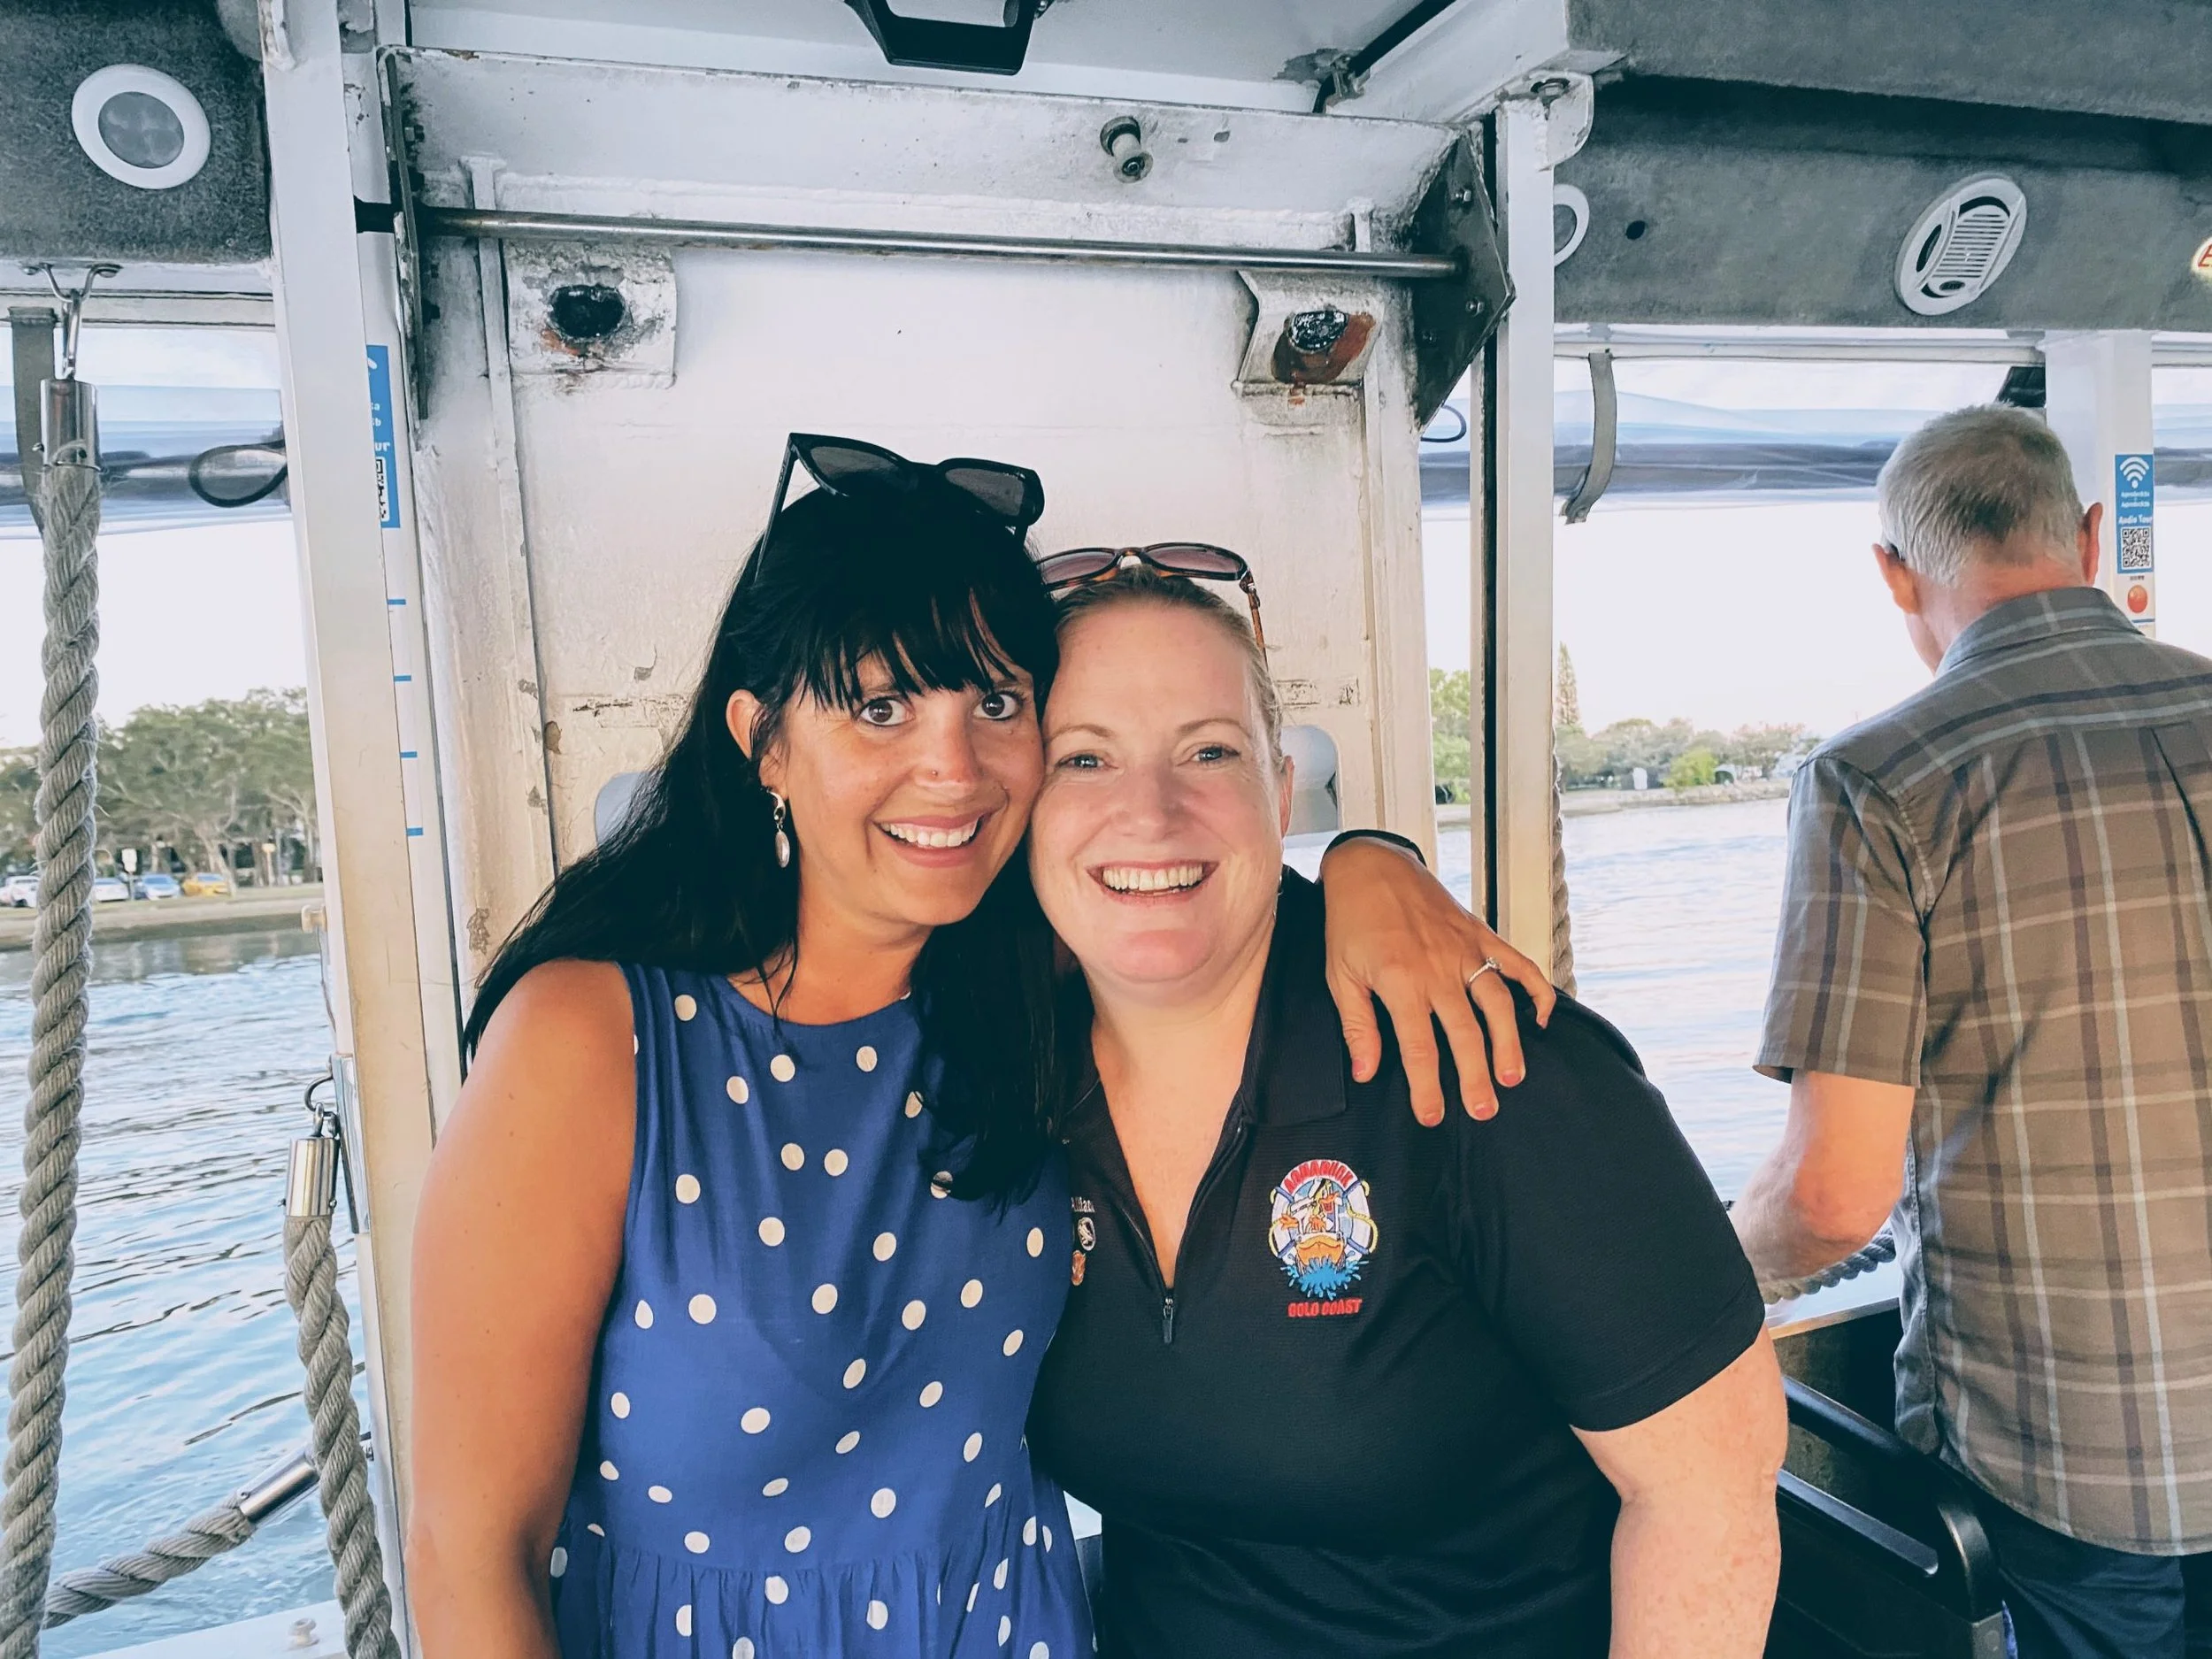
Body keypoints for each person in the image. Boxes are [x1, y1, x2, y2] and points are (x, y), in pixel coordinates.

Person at [404, 435, 1549, 1658]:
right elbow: (470, 1550)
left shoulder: (1039, 984)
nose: (951, 770)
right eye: (880, 705)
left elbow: (1209, 887)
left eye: (995, 702)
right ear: (764, 740)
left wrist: (1372, 859)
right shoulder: (592, 1037)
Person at [1024, 563, 1786, 1658]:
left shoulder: (1480, 1067)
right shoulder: (1006, 1074)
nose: (1150, 811)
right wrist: (1372, 856)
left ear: (1279, 792)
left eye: (1209, 752)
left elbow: (1710, 1500)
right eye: (1083, 758)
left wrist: (1371, 856)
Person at [1732, 405, 2212, 1657]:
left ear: (1894, 569)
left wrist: (1703, 1275)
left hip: (2082, 1459)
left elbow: (1836, 1194)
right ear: (2093, 537)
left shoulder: (1880, 781)